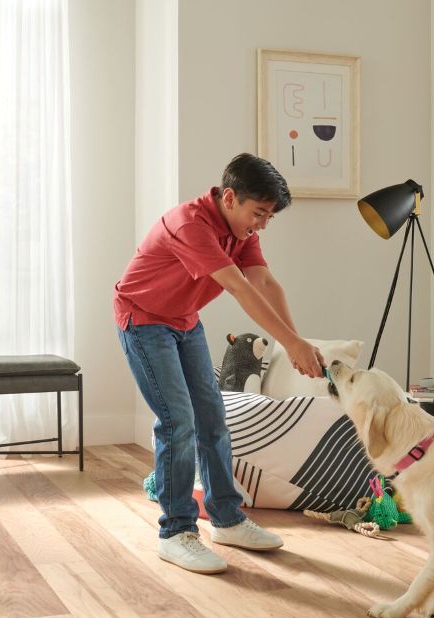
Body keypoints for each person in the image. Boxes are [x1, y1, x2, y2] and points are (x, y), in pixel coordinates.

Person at [114, 153, 326, 573]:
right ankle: (175, 532)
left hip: (184, 322)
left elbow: (264, 281)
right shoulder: (189, 224)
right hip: (143, 320)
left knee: (213, 419)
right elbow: (239, 289)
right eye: (259, 213)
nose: (263, 223)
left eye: (269, 216)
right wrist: (292, 342)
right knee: (178, 421)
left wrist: (295, 343)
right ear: (229, 198)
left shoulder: (241, 228)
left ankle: (227, 519)